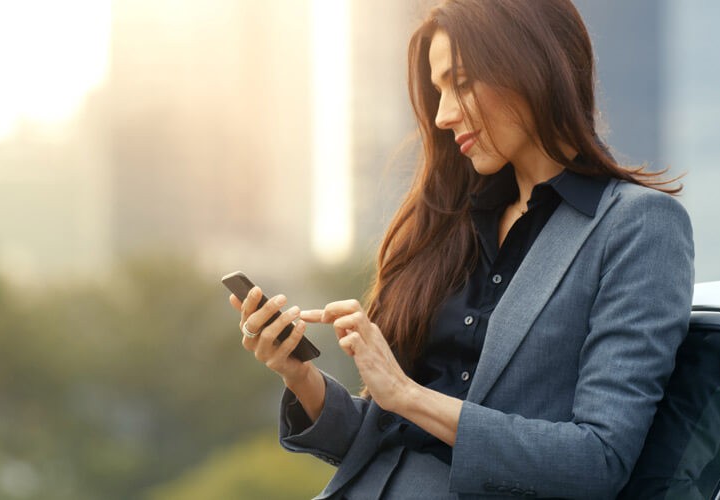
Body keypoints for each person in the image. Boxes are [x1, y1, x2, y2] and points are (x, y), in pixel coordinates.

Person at [228, 0, 694, 498]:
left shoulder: (637, 226)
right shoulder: (452, 225)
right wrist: (298, 374)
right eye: (438, 90)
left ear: (534, 66)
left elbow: (597, 459)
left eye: (462, 83)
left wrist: (407, 396)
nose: (444, 114)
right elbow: (387, 441)